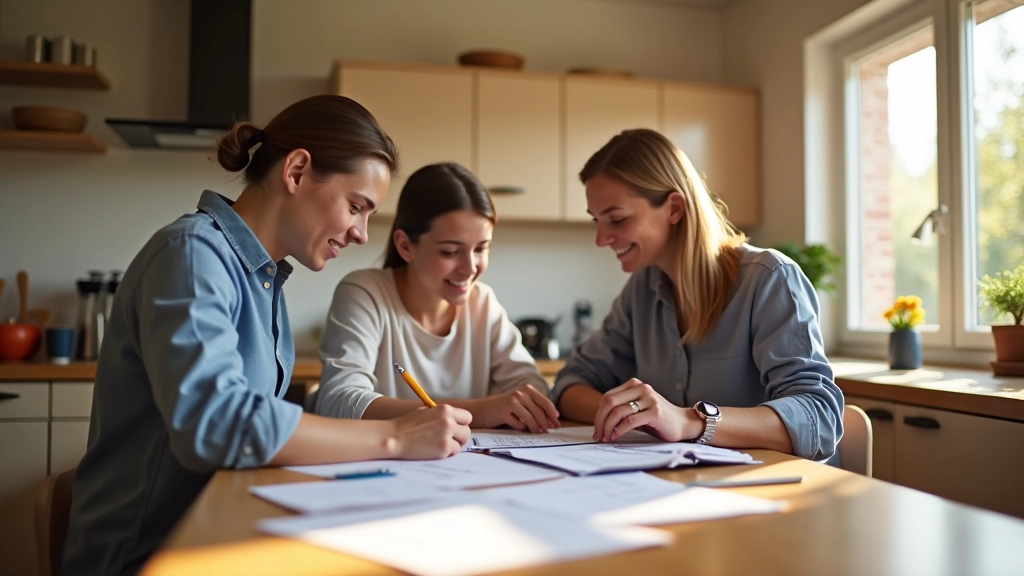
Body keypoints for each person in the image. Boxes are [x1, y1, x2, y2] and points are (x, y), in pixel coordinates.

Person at [62, 95, 472, 576]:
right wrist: (393, 439)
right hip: (147, 556)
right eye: (356, 207)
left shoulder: (263, 279)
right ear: (297, 171)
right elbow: (218, 425)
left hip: (219, 536)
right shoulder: (192, 254)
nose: (362, 233)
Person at [552, 129, 843, 461]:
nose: (601, 238)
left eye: (617, 219)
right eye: (597, 221)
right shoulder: (642, 291)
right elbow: (569, 384)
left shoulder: (769, 279)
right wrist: (634, 414)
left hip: (775, 490)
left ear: (674, 208)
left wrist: (689, 421)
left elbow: (819, 419)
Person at [315, 162, 560, 433]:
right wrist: (479, 411)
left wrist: (522, 402)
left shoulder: (483, 303)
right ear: (406, 246)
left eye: (481, 248)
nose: (470, 268)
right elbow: (338, 401)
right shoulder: (364, 293)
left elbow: (532, 388)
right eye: (450, 252)